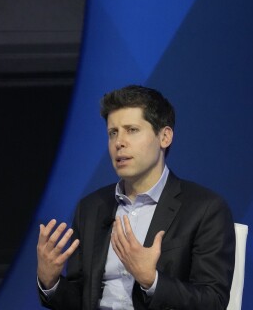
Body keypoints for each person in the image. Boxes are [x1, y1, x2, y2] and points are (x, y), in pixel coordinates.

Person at [36, 85, 235, 309]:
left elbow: (213, 301)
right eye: (113, 133)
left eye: (131, 130)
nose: (119, 142)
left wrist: (152, 280)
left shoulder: (204, 208)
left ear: (165, 136)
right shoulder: (91, 207)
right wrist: (50, 281)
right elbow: (80, 300)